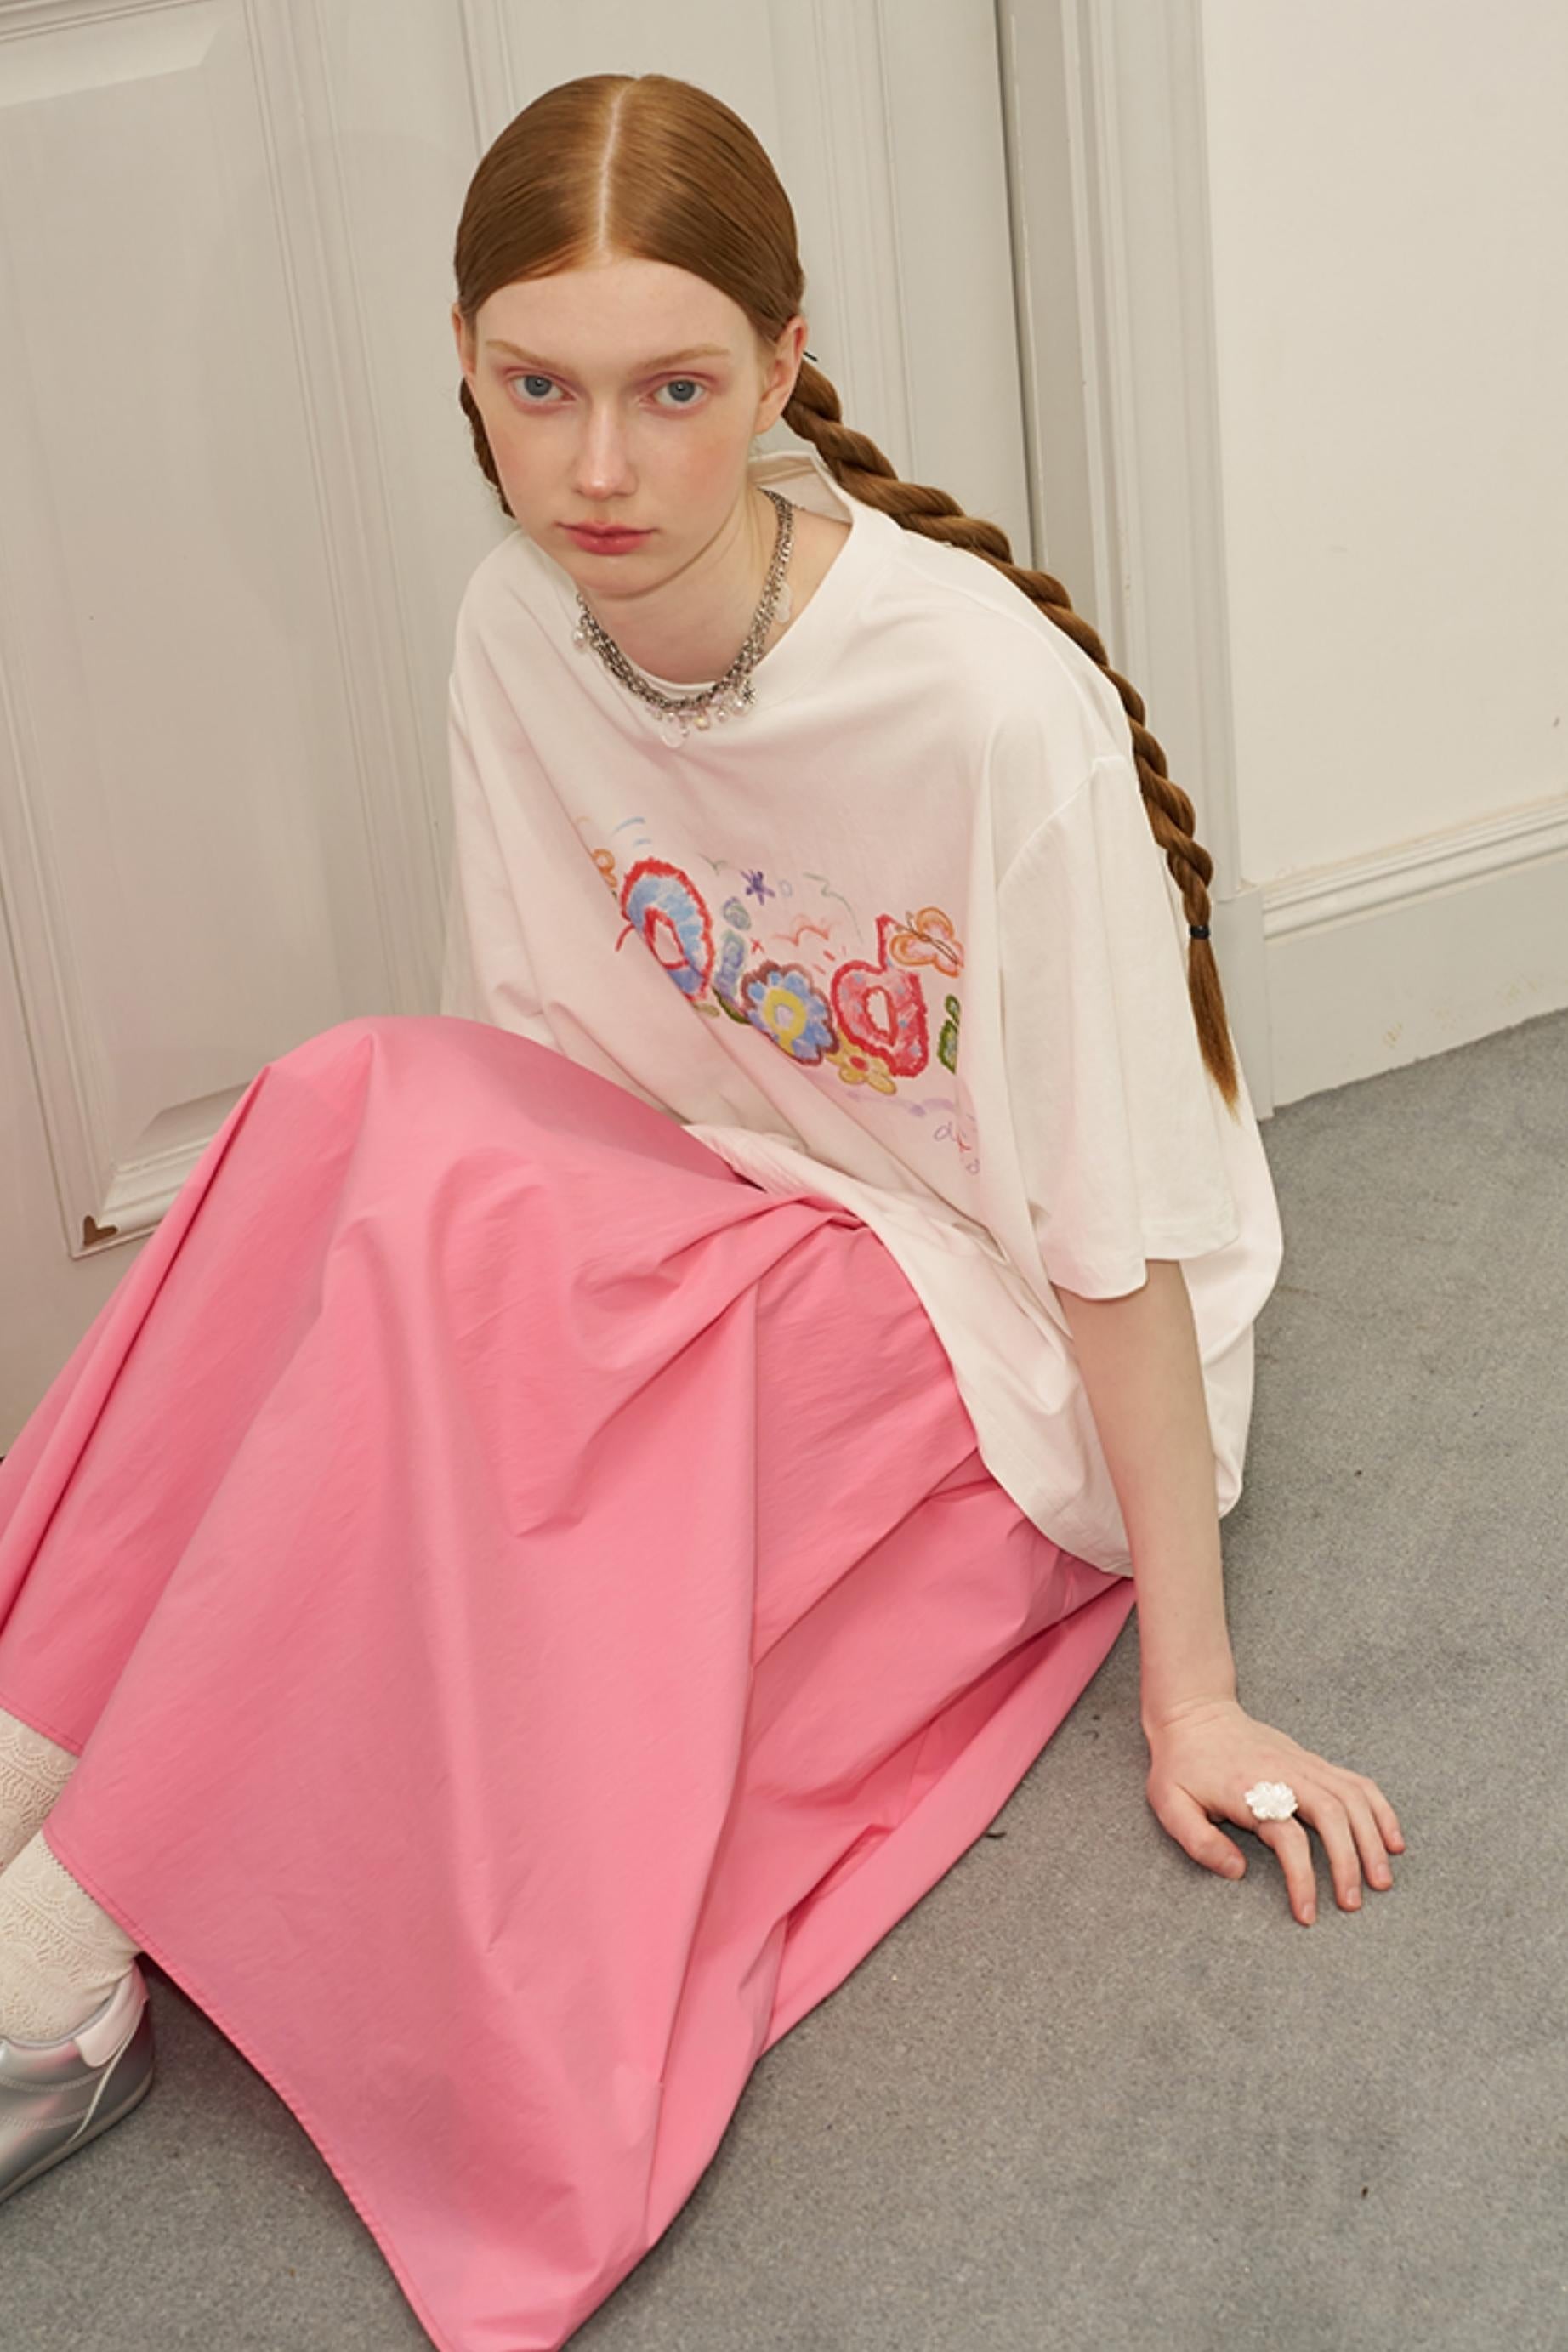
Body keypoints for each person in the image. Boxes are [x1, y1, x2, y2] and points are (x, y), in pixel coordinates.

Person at [0, 68, 1404, 2352]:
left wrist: (1197, 1692)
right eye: (535, 390)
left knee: (435, 1236)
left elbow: (1111, 1228)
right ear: (465, 371)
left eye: (671, 391)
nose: (598, 470)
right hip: (693, 1229)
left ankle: (54, 1955)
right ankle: (30, 1757)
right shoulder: (512, 620)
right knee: (355, 1098)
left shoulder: (979, 704)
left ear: (777, 366)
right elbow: (529, 1078)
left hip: (969, 1330)